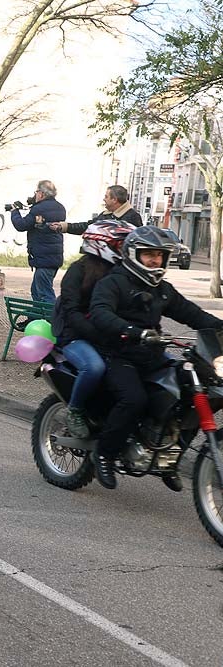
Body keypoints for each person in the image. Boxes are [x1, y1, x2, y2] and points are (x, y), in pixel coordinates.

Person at [88, 226, 223, 491]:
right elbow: (101, 312)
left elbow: (194, 315)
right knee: (133, 399)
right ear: (132, 254)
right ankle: (104, 453)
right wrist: (133, 331)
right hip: (117, 354)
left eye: (160, 255)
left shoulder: (163, 289)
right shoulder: (113, 282)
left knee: (196, 394)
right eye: (149, 254)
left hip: (152, 355)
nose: (155, 260)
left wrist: (221, 327)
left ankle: (168, 459)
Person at [50, 221, 136, 438]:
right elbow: (71, 312)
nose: (125, 251)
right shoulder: (77, 271)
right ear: (102, 244)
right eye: (121, 245)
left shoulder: (120, 273)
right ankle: (75, 410)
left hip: (105, 336)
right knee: (94, 367)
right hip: (73, 336)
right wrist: (98, 334)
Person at [10, 180, 66, 303]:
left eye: (36, 192)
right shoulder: (60, 208)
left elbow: (21, 225)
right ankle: (36, 318)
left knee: (45, 294)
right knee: (36, 291)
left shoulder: (39, 209)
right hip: (53, 256)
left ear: (41, 194)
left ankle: (53, 319)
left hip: (44, 258)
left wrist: (14, 211)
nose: (35, 195)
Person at [50, 185, 145, 235]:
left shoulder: (133, 217)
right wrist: (64, 226)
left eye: (106, 197)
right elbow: (88, 227)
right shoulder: (105, 215)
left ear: (114, 200)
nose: (104, 199)